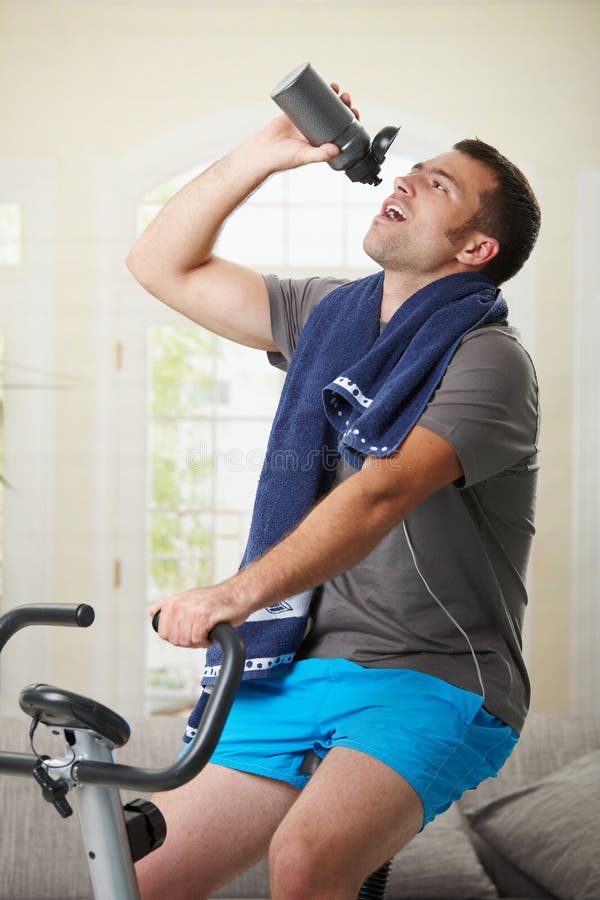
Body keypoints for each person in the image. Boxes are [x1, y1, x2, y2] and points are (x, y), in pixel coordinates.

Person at [127, 85, 541, 900]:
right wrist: (262, 153)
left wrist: (231, 596)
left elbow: (380, 496)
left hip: (431, 675)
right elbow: (159, 264)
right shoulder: (329, 317)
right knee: (138, 881)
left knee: (310, 860)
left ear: (475, 250)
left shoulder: (490, 362)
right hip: (292, 667)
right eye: (414, 171)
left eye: (439, 186)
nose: (408, 182)